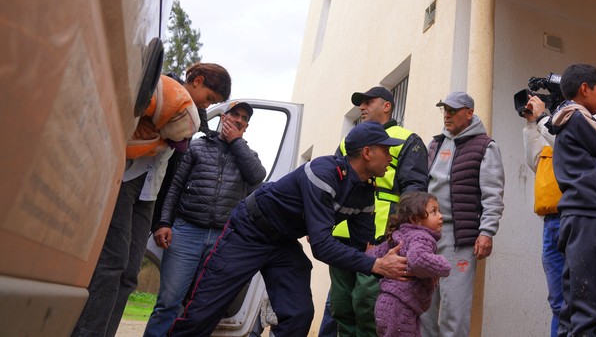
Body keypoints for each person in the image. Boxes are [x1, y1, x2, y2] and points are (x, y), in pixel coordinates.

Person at [168, 121, 410, 337]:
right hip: (250, 231)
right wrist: (376, 265)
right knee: (204, 311)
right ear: (367, 153)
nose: (391, 157)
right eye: (386, 150)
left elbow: (364, 246)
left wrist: (396, 264)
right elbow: (321, 246)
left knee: (298, 314)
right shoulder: (324, 173)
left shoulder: (366, 192)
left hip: (283, 242)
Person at [71, 63, 231, 337]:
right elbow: (116, 109)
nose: (206, 106)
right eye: (209, 98)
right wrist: (139, 121)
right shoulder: (158, 87)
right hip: (125, 178)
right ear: (197, 81)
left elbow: (173, 173)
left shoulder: (191, 123)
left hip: (148, 192)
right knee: (112, 263)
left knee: (130, 272)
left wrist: (160, 220)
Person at [143, 101, 265, 336]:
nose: (239, 120)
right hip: (186, 232)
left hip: (222, 240)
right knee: (168, 302)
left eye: (244, 118)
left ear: (246, 126)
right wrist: (164, 223)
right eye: (235, 114)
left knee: (201, 308)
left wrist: (236, 143)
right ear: (223, 117)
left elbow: (257, 177)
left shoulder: (249, 155)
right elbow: (175, 187)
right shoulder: (197, 147)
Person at [329, 86, 428, 336]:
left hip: (380, 237)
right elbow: (332, 185)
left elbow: (414, 192)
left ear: (386, 106)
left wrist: (403, 234)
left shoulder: (406, 140)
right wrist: (322, 223)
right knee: (341, 305)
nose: (361, 107)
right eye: (360, 103)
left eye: (367, 102)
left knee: (368, 305)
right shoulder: (347, 142)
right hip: (341, 235)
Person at [523, 95, 596, 337]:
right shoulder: (548, 138)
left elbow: (565, 141)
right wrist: (531, 124)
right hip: (552, 223)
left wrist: (545, 120)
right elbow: (533, 159)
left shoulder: (586, 129)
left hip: (581, 218)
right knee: (559, 302)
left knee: (591, 299)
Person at [420, 91, 504, 337]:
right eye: (445, 109)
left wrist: (487, 232)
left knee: (453, 311)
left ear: (469, 113)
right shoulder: (435, 144)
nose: (447, 115)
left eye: (453, 110)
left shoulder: (485, 146)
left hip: (460, 238)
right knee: (424, 308)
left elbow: (493, 194)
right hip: (427, 237)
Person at [550, 64, 596, 336]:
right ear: (584, 89)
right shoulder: (578, 119)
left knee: (573, 307)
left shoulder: (564, 122)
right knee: (590, 308)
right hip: (589, 216)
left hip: (575, 216)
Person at [367, 192, 451, 337]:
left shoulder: (400, 235)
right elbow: (418, 260)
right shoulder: (421, 237)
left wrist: (368, 252)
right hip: (400, 307)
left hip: (388, 304)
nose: (440, 216)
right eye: (433, 212)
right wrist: (443, 266)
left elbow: (373, 256)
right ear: (415, 219)